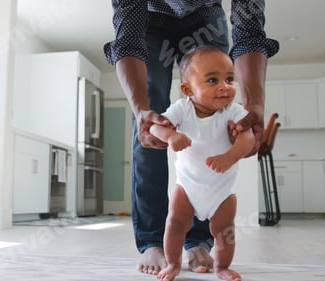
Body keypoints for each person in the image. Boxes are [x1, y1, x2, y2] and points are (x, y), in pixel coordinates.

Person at [103, 0, 279, 275]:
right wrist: (141, 111)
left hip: (205, 16)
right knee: (150, 123)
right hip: (149, 18)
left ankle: (197, 240)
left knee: (217, 108)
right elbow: (128, 38)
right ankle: (153, 241)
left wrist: (255, 104)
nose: (226, 86)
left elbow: (249, 31)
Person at [150, 46, 254, 281]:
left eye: (229, 79)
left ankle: (222, 267)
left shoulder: (233, 110)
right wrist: (171, 136)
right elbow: (156, 127)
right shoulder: (182, 109)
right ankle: (174, 264)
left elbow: (248, 137)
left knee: (224, 232)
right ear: (188, 89)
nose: (224, 86)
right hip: (187, 187)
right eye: (212, 80)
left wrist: (230, 156)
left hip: (221, 191)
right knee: (175, 224)